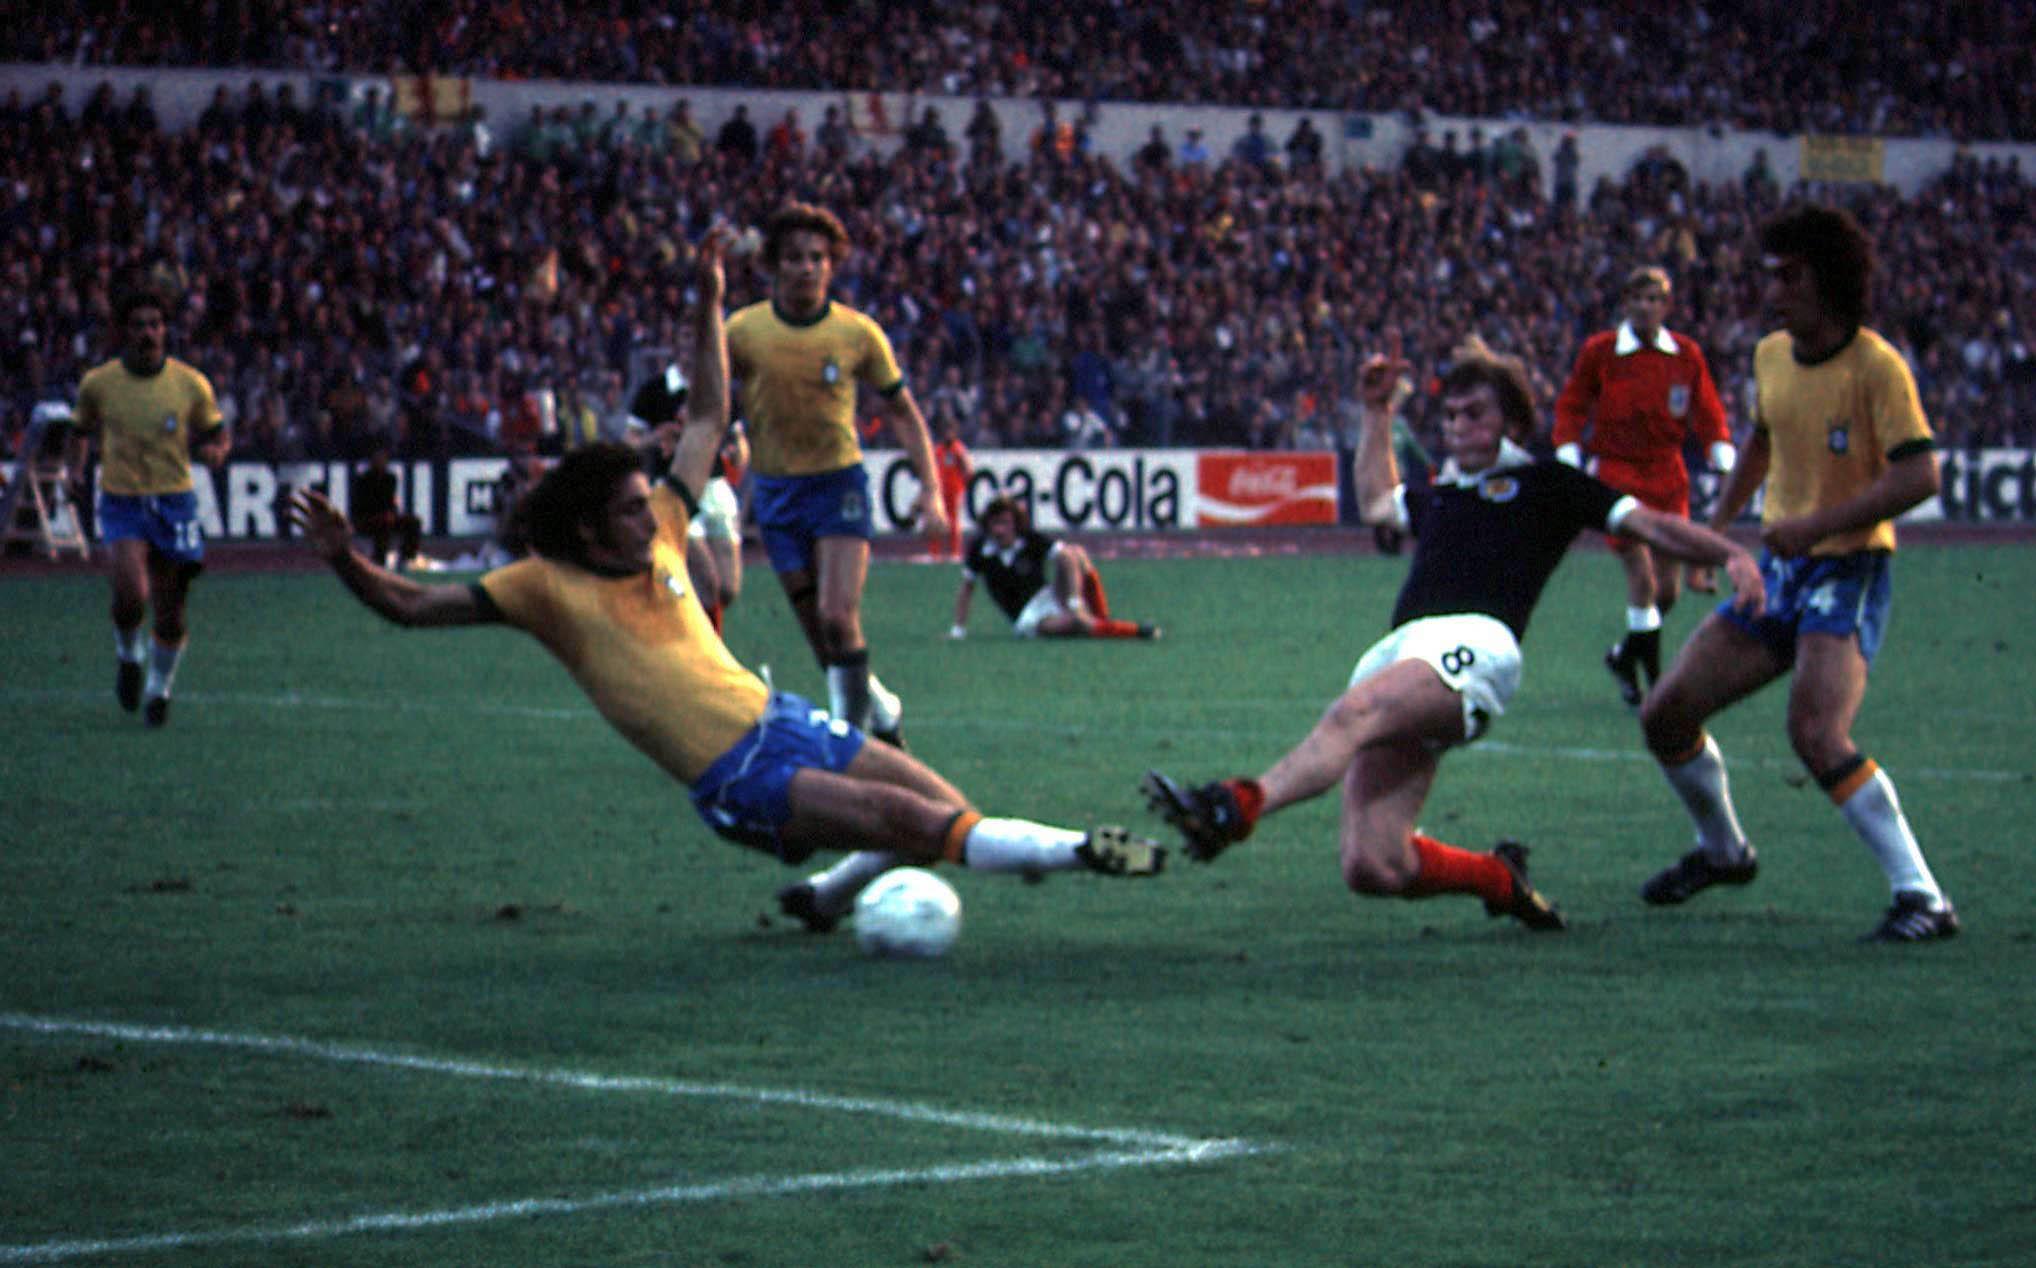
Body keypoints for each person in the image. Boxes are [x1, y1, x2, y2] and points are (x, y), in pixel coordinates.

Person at [284, 230, 1163, 933]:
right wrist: (342, 557)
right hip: (736, 777)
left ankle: (826, 899)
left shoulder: (665, 526)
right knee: (914, 827)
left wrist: (706, 307)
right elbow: (408, 605)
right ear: (589, 526)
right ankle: (1086, 851)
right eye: (631, 507)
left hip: (780, 718)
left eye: (647, 499)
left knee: (943, 805)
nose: (652, 512)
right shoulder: (541, 588)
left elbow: (707, 414)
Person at [1142, 345, 1763, 932]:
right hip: (1401, 652)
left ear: (1512, 422)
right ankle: (1498, 880)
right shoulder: (1443, 493)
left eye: (1475, 413)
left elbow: (1651, 524)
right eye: (1451, 414)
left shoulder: (1549, 483)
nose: (1459, 424)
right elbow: (1379, 504)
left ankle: (1236, 804)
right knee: (1374, 866)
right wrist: (1378, 412)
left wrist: (1732, 551)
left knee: (1352, 712)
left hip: (1475, 646)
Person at [1635, 205, 1958, 943]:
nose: (1772, 288)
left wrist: (1814, 526)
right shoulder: (1771, 355)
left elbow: (1921, 476)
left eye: (1789, 275)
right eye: (1771, 273)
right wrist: (1715, 532)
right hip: (1782, 571)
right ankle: (1723, 852)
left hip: (1848, 569)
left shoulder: (1876, 366)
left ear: (1830, 280)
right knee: (1665, 716)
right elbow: (1762, 438)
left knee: (1815, 731)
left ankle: (1925, 899)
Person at [724, 202, 945, 747]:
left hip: (837, 486)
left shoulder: (857, 333)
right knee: (823, 640)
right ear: (773, 265)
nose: (807, 268)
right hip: (776, 494)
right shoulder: (744, 331)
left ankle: (852, 747)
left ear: (832, 266)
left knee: (837, 615)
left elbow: (904, 413)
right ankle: (882, 707)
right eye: (795, 258)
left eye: (818, 258)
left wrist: (932, 490)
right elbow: (709, 401)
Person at [1553, 266, 1736, 707]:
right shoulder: (1602, 351)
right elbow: (1573, 403)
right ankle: (1657, 685)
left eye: (1654, 299)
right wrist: (1568, 449)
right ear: (1625, 303)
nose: (1645, 306)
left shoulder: (1685, 355)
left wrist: (1719, 446)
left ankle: (1623, 656)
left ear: (1666, 306)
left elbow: (1707, 408)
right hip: (1618, 474)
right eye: (1638, 298)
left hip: (1668, 476)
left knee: (1666, 591)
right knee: (1640, 574)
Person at [67, 285, 230, 728]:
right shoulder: (99, 384)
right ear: (124, 331)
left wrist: (217, 451)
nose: (148, 333)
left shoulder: (190, 383)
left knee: (172, 608)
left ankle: (159, 689)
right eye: (139, 325)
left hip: (174, 501)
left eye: (155, 324)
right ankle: (127, 655)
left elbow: (217, 432)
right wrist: (75, 473)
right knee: (129, 594)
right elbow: (79, 431)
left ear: (165, 329)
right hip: (122, 501)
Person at [949, 495, 1160, 641]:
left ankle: (1101, 618)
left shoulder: (1029, 538)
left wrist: (1074, 601)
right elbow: (967, 587)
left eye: (1004, 522)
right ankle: (1136, 631)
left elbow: (1065, 556)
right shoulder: (980, 549)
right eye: (995, 524)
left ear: (1015, 523)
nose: (999, 530)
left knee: (1075, 552)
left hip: (1050, 596)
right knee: (1079, 625)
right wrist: (958, 630)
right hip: (1028, 617)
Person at [351, 439, 423, 569]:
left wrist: (392, 514)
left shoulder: (390, 478)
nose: (381, 462)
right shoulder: (363, 480)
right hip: (367, 518)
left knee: (413, 522)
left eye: (383, 459)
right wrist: (381, 515)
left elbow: (391, 501)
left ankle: (407, 558)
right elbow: (361, 506)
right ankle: (379, 561)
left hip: (387, 516)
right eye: (378, 459)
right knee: (382, 526)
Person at [931, 410, 973, 560]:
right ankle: (935, 553)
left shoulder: (958, 449)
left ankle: (954, 552)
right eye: (946, 430)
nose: (949, 434)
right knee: (937, 521)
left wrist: (964, 483)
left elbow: (968, 469)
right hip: (940, 490)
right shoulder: (938, 450)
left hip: (954, 491)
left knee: (954, 522)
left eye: (951, 430)